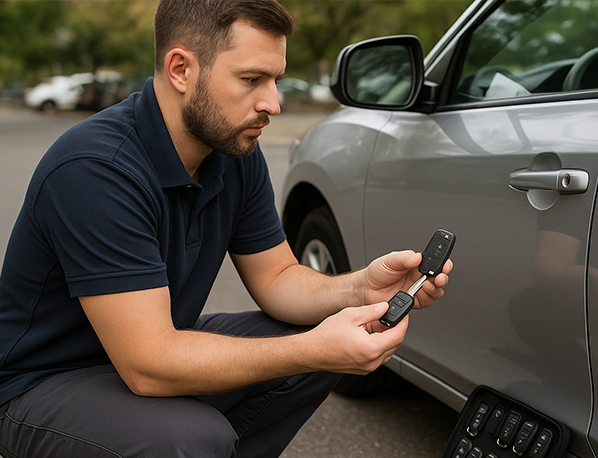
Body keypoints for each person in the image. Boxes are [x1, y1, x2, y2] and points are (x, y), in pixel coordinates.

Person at [0, 1, 452, 457]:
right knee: (191, 437)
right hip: (41, 384)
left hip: (148, 350)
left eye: (275, 80)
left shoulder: (234, 151)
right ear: (181, 69)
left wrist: (360, 289)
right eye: (251, 80)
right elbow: (148, 366)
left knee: (320, 337)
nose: (272, 103)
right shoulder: (95, 169)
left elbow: (277, 279)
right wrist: (315, 349)